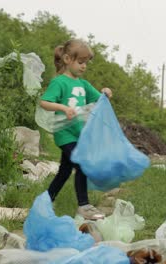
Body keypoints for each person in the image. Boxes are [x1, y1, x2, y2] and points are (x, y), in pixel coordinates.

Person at [39, 39, 112, 220]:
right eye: (80, 62)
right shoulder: (59, 82)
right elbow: (44, 102)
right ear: (66, 59)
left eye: (86, 62)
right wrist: (63, 108)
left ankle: (46, 201)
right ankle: (84, 206)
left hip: (79, 134)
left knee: (64, 171)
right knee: (81, 162)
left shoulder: (83, 84)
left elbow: (100, 99)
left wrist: (106, 92)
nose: (84, 66)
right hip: (64, 133)